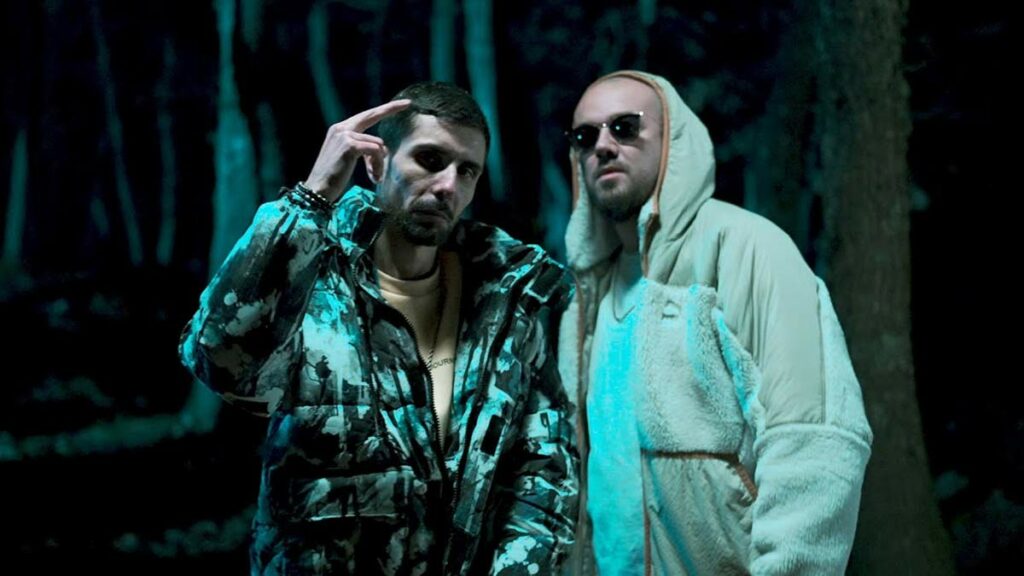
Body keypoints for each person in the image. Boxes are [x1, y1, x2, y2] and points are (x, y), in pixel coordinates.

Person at [180, 81, 577, 575]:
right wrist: (310, 198)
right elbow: (218, 359)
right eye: (430, 160)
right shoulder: (314, 279)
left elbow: (543, 467)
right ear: (376, 162)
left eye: (467, 171)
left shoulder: (507, 299)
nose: (448, 186)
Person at [558, 70, 873, 574]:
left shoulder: (747, 249)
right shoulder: (586, 298)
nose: (603, 145)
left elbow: (814, 438)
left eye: (625, 127)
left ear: (672, 141)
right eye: (585, 136)